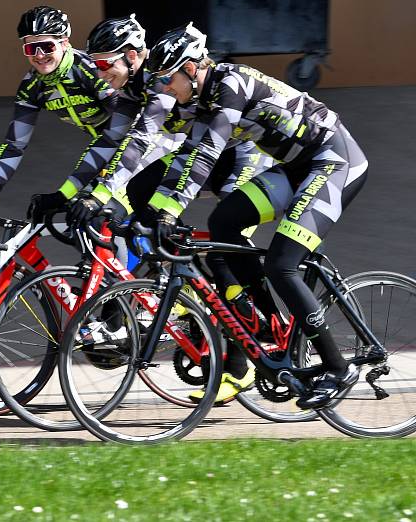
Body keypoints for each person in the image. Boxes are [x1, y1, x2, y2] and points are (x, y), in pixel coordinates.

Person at [142, 23, 368, 409]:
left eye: (169, 79)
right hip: (298, 166)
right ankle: (265, 319)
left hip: (335, 161)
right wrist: (158, 208)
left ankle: (337, 367)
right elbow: (185, 157)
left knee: (283, 264)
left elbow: (208, 152)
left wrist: (171, 210)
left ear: (192, 68)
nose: (166, 88)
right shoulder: (206, 97)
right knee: (224, 223)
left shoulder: (230, 84)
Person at [78, 20, 281, 403]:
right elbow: (110, 144)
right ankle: (189, 284)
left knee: (223, 250)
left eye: (105, 66)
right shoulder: (128, 87)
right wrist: (77, 191)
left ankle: (241, 363)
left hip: (239, 155)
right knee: (142, 192)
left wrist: (104, 194)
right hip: (206, 152)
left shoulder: (157, 81)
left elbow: (140, 140)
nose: (99, 76)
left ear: (133, 57)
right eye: (94, 67)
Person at [0, 6, 139, 229]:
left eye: (46, 46)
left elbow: (127, 127)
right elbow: (13, 146)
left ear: (64, 42)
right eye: (30, 48)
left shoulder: (91, 69)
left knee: (100, 220)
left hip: (138, 146)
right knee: (78, 224)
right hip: (105, 151)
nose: (39, 55)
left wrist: (64, 193)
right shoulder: (32, 87)